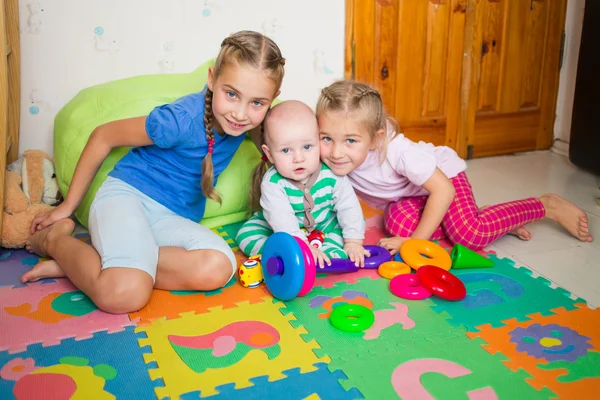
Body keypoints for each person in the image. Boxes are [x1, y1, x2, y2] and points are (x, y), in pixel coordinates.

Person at [21, 30, 286, 314]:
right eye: (231, 94)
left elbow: (287, 147)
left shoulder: (253, 122)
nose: (241, 113)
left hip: (169, 220)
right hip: (127, 198)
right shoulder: (179, 120)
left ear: (272, 99)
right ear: (212, 79)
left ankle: (101, 263)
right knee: (125, 295)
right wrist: (67, 207)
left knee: (220, 267)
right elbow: (102, 136)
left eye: (257, 102)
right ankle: (55, 240)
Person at [314, 80, 593, 254]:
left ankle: (545, 205)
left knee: (469, 235)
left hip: (444, 181)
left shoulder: (399, 152)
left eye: (350, 140)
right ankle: (481, 217)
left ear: (375, 138)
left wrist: (415, 244)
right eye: (326, 138)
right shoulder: (324, 153)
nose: (336, 152)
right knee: (396, 224)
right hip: (410, 197)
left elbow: (443, 191)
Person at [235, 100, 369, 268]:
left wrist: (353, 242)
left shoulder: (332, 174)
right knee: (245, 234)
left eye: (307, 147)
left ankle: (326, 252)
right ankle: (291, 253)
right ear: (269, 154)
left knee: (349, 224)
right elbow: (280, 218)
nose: (298, 158)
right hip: (283, 228)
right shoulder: (273, 182)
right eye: (286, 150)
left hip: (324, 223)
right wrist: (300, 245)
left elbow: (348, 206)